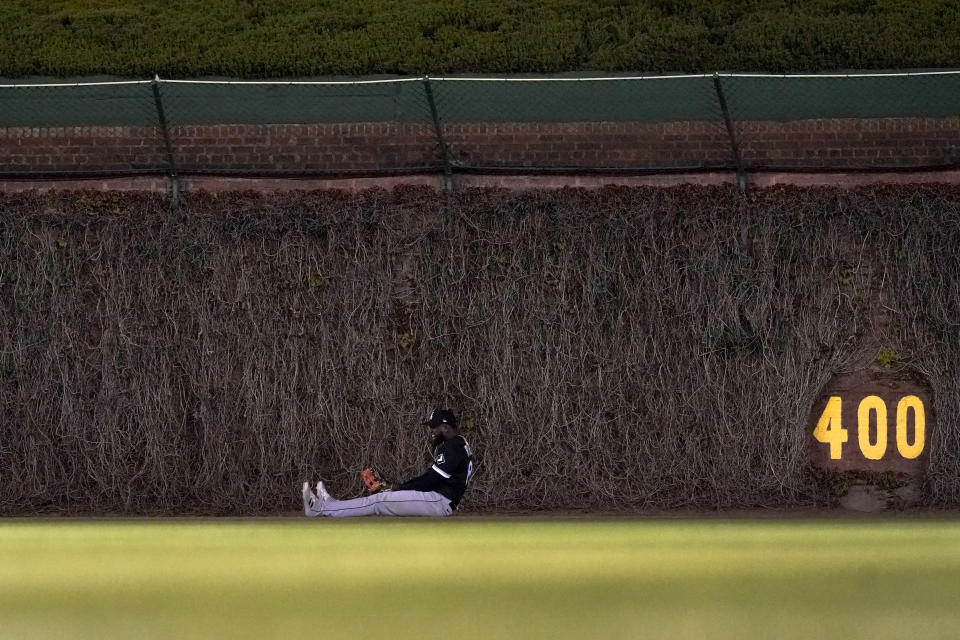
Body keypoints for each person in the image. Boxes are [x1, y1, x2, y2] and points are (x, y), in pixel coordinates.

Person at [302, 407, 475, 517]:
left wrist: (400, 487)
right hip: (439, 500)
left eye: (434, 427)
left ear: (445, 427)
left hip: (439, 501)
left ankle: (320, 510)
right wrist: (401, 486)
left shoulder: (452, 447)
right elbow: (430, 479)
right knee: (380, 499)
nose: (432, 432)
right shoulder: (460, 443)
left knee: (379, 501)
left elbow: (430, 481)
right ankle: (332, 506)